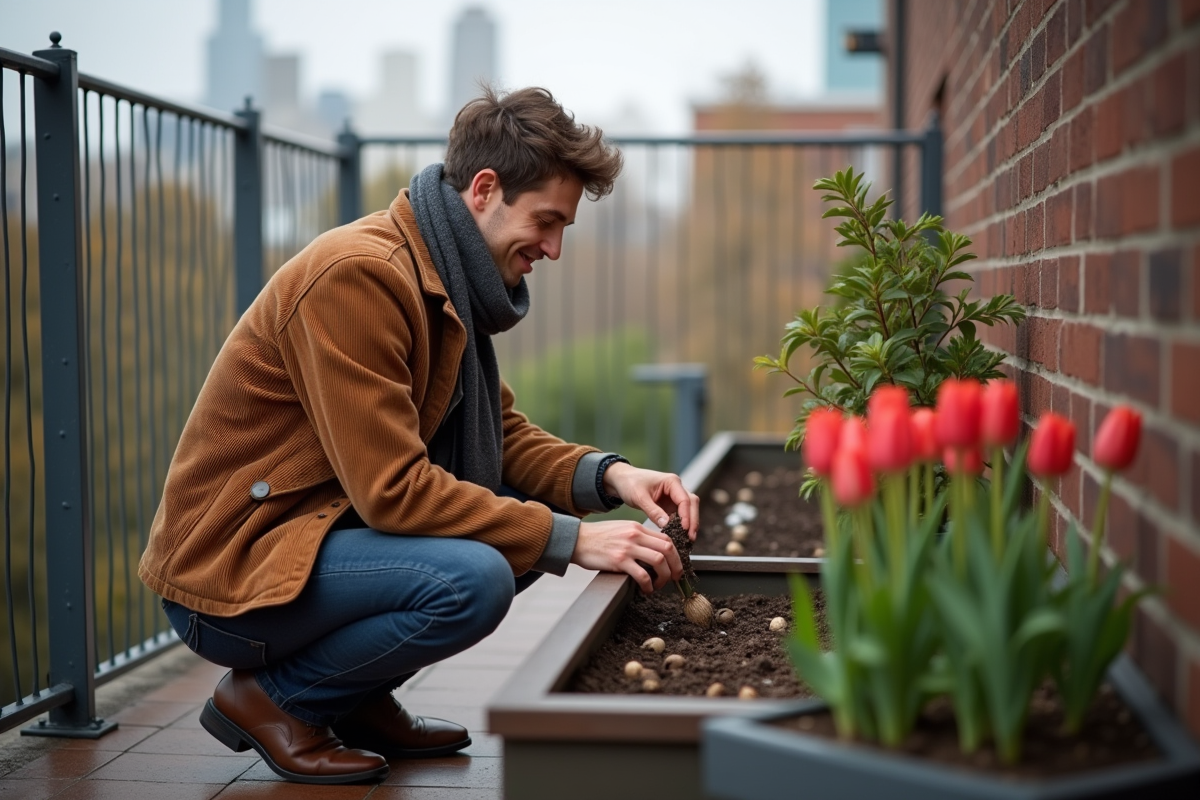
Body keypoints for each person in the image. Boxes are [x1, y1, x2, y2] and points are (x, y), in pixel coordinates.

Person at [138, 86, 700, 785]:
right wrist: (573, 538)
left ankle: (354, 696)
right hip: (235, 572)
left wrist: (611, 476)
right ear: (486, 190)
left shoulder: (440, 273)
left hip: (310, 543)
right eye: (548, 222)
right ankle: (275, 700)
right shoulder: (362, 277)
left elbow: (503, 437)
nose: (554, 249)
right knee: (480, 574)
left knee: (514, 535)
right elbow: (393, 494)